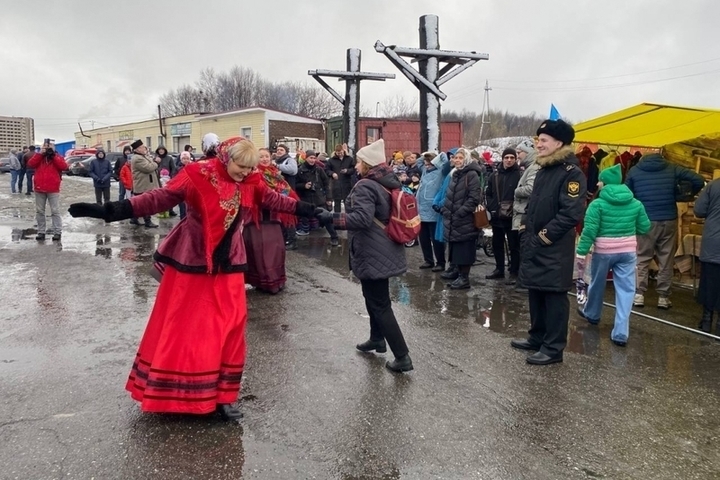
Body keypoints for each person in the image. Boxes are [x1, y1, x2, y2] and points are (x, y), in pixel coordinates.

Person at [68, 137, 317, 421]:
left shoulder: (252, 180)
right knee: (192, 329)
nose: (246, 173)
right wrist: (111, 211)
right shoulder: (198, 174)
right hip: (194, 262)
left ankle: (223, 396)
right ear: (226, 157)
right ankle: (182, 395)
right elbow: (159, 198)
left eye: (250, 168)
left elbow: (272, 198)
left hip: (230, 263)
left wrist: (311, 210)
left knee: (232, 328)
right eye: (241, 166)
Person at [316, 139, 413, 373]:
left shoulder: (365, 186)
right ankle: (376, 339)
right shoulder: (386, 181)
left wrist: (332, 217)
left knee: (380, 304)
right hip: (384, 247)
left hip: (373, 248)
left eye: (359, 161)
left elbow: (361, 218)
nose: (356, 165)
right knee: (373, 298)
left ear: (367, 164)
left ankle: (402, 356)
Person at [512, 119, 587, 365]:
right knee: (536, 292)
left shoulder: (571, 173)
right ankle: (537, 337)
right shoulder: (544, 169)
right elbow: (534, 205)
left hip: (553, 247)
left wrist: (544, 236)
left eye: (543, 140)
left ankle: (553, 348)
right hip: (535, 242)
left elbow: (570, 213)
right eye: (538, 139)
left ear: (559, 143)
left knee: (554, 297)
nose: (539, 144)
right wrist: (525, 228)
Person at [576, 164, 651, 346]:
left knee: (597, 283)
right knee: (626, 291)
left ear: (604, 183)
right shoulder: (636, 203)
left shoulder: (597, 204)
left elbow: (590, 231)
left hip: (604, 251)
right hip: (628, 252)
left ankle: (593, 314)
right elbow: (644, 227)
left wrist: (581, 252)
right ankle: (620, 333)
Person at [625, 151, 704, 309]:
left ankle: (639, 294)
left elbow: (627, 194)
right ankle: (663, 297)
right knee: (666, 259)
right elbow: (698, 180)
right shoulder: (671, 168)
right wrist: (683, 195)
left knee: (642, 257)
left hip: (644, 219)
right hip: (668, 219)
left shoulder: (634, 171)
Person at [248, 147, 301, 293]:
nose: (264, 159)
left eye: (266, 156)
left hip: (274, 216)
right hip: (258, 218)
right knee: (262, 252)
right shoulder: (253, 174)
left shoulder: (275, 174)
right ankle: (265, 282)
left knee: (277, 250)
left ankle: (277, 279)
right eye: (261, 157)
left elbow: (285, 190)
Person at [438, 148, 483, 289]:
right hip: (453, 218)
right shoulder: (456, 174)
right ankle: (457, 272)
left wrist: (459, 213)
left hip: (465, 219)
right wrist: (446, 210)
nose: (457, 160)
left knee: (464, 249)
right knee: (456, 247)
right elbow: (450, 195)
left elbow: (474, 198)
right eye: (455, 158)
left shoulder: (472, 175)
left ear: (466, 159)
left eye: (460, 158)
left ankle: (464, 278)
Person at [485, 147, 522, 284]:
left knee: (514, 245)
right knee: (497, 244)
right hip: (497, 215)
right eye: (506, 157)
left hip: (513, 215)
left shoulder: (520, 175)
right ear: (502, 159)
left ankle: (514, 272)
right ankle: (499, 269)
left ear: (515, 159)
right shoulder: (494, 175)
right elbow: (488, 193)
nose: (509, 160)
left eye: (512, 157)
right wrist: (492, 208)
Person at [296, 150, 339, 246]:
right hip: (306, 200)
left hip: (318, 199)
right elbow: (295, 185)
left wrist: (329, 198)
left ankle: (334, 237)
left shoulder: (319, 170)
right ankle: (304, 235)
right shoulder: (300, 170)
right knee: (304, 219)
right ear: (306, 158)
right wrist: (304, 186)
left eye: (314, 158)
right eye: (310, 158)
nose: (312, 160)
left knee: (327, 219)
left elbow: (326, 184)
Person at [416, 151, 451, 271]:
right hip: (421, 211)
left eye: (429, 164)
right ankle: (428, 260)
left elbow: (446, 164)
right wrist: (424, 155)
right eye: (426, 164)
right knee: (423, 239)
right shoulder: (424, 171)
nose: (426, 166)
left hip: (433, 211)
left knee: (436, 239)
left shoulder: (441, 172)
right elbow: (418, 162)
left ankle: (440, 262)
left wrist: (438, 157)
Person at [27, 141, 68, 241]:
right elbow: (30, 164)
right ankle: (41, 231)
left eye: (49, 147)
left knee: (55, 211)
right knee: (40, 211)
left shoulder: (57, 157)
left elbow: (64, 166)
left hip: (53, 188)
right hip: (39, 188)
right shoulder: (39, 157)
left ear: (54, 148)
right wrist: (40, 153)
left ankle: (57, 232)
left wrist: (53, 155)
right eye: (45, 147)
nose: (47, 149)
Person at [693, 179, 720, 333]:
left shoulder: (714, 185)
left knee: (709, 281)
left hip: (713, 240)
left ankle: (706, 320)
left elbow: (699, 210)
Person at [513, 139, 540, 290]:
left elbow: (531, 188)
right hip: (522, 213)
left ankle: (524, 283)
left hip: (525, 214)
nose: (517, 156)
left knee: (525, 249)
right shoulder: (529, 167)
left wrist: (516, 191)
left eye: (519, 152)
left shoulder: (534, 168)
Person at [129, 140, 160, 228]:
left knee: (141, 204)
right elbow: (149, 168)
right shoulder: (137, 158)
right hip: (142, 185)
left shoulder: (143, 156)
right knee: (145, 204)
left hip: (146, 184)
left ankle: (134, 218)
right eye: (143, 147)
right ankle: (147, 221)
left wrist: (152, 162)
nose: (145, 148)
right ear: (137, 149)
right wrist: (156, 162)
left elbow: (150, 164)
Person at [325, 144, 355, 213]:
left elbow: (353, 169)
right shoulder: (331, 160)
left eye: (341, 153)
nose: (340, 154)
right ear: (335, 152)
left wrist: (347, 171)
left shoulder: (349, 159)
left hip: (347, 184)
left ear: (343, 151)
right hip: (336, 184)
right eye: (338, 153)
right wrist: (332, 173)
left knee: (347, 203)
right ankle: (337, 221)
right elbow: (326, 170)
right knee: (337, 204)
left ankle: (348, 219)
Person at [155, 146, 178, 216]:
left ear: (165, 150)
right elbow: (153, 167)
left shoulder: (169, 158)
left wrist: (171, 177)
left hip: (168, 179)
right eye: (159, 150)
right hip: (159, 180)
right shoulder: (156, 159)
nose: (161, 151)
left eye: (162, 150)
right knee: (161, 196)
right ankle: (162, 210)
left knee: (169, 195)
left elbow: (173, 168)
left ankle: (170, 210)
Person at [176, 151, 192, 219]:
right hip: (182, 190)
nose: (185, 160)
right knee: (182, 208)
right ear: (181, 159)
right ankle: (183, 220)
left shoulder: (193, 166)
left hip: (191, 190)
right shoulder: (178, 168)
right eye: (184, 159)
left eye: (187, 158)